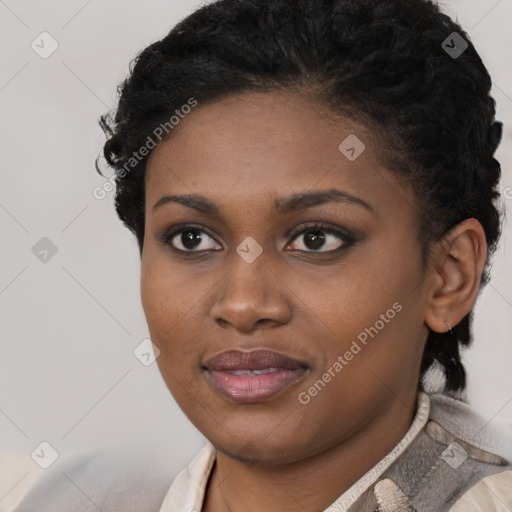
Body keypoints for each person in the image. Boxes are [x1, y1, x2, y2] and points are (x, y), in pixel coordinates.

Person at [9, 0, 510, 511]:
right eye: (192, 239)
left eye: (316, 239)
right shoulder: (72, 498)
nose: (244, 304)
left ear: (449, 276)